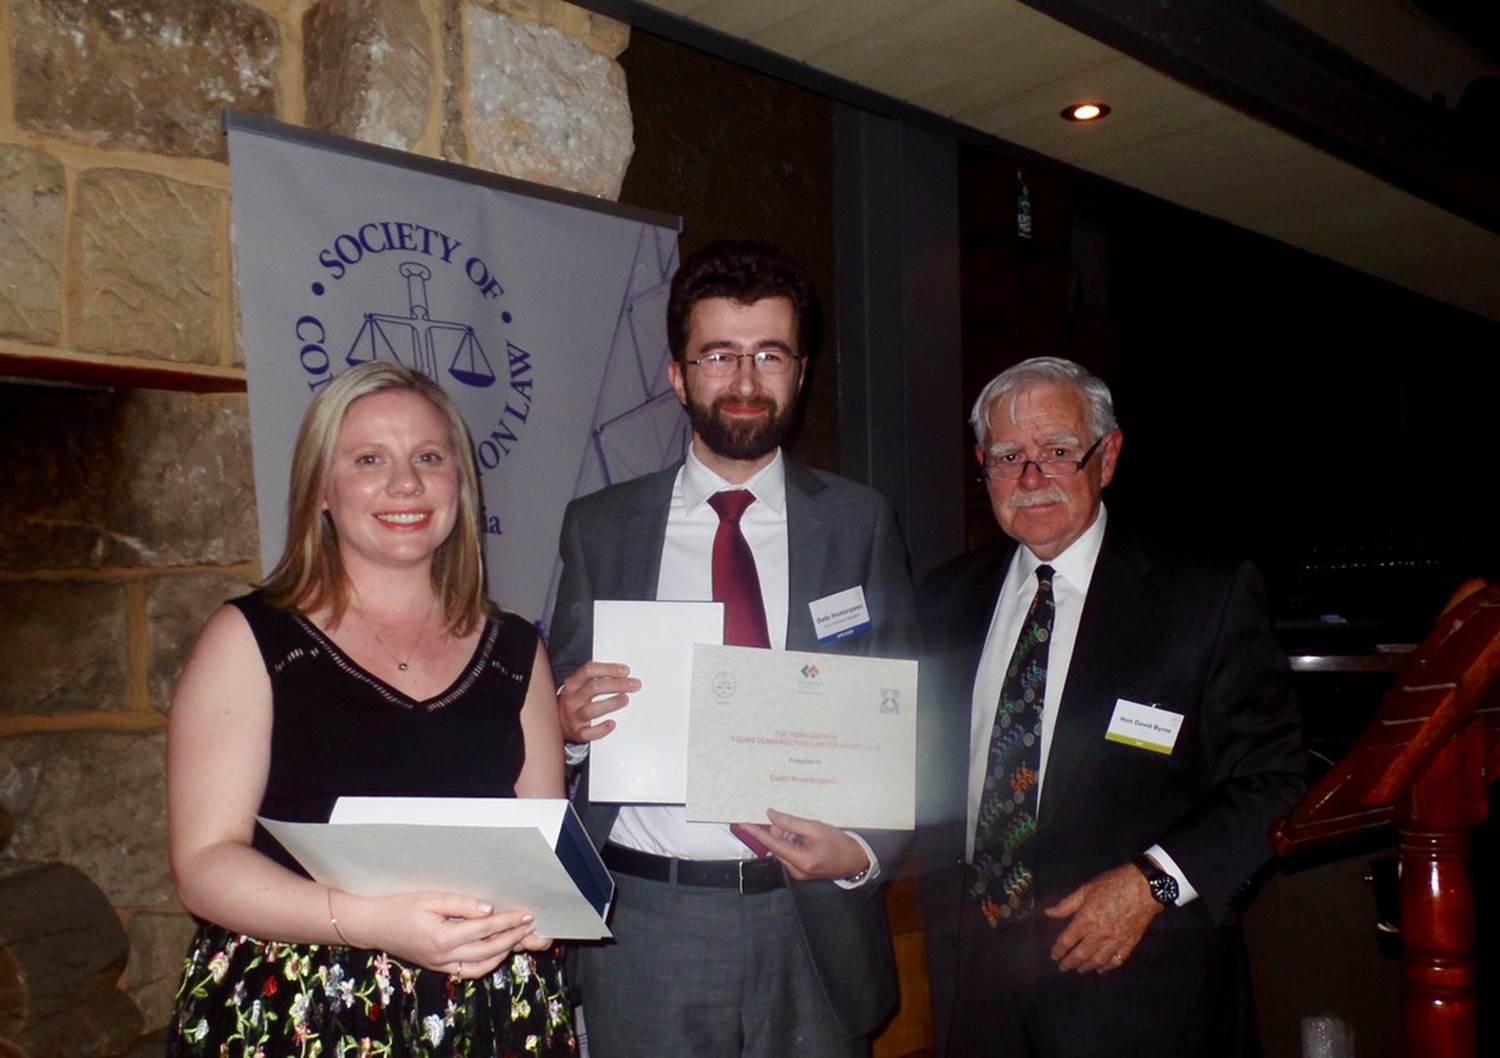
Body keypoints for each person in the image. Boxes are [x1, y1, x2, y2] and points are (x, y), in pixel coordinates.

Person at [547, 239, 917, 1057]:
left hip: (811, 919)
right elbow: (555, 717)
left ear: (802, 370)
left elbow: (908, 718)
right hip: (646, 924)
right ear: (678, 375)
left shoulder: (858, 524)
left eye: (769, 355)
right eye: (719, 355)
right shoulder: (602, 528)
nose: (746, 381)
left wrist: (859, 852)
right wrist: (564, 723)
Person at [166, 362, 574, 1056]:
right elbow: (204, 864)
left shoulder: (515, 649)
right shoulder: (252, 639)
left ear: (460, 484)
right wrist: (365, 920)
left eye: (428, 458)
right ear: (322, 489)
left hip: (488, 1011)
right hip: (299, 1010)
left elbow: (545, 849)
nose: (406, 484)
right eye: (368, 460)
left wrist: (541, 915)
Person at [916, 356, 1305, 1057]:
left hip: (1140, 990)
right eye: (1009, 456)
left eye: (1058, 452)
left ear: (1109, 456)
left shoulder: (1201, 597)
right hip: (975, 985)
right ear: (982, 465)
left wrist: (1153, 883)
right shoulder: (942, 601)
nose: (1031, 478)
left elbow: (1274, 781)